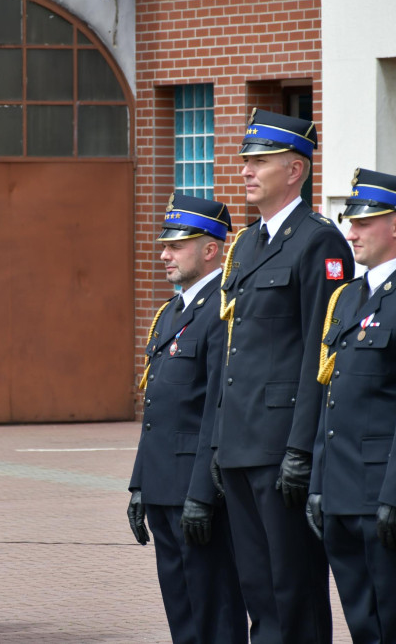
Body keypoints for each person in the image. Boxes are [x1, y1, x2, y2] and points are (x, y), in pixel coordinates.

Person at [212, 108, 352, 644]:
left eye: (261, 161)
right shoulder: (246, 244)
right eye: (246, 161)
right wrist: (219, 440)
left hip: (280, 445)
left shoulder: (319, 242)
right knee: (259, 588)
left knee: (294, 589)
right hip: (240, 441)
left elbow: (322, 352)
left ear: (295, 170)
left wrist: (301, 448)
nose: (247, 170)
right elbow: (234, 350)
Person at [306, 169, 396, 643]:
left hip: (382, 493)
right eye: (351, 222)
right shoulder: (347, 298)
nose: (351, 233)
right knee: (363, 622)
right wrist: (318, 482)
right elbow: (331, 398)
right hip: (340, 491)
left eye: (363, 223)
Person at [127, 192, 247, 643]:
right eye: (165, 246)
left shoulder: (223, 311)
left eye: (176, 246)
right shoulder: (171, 312)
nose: (164, 255)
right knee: (181, 610)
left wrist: (202, 494)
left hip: (196, 492)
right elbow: (157, 411)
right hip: (163, 485)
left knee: (214, 610)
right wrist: (140, 485)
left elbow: (217, 409)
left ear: (211, 249)